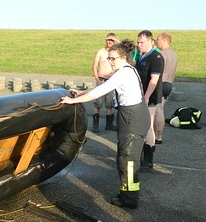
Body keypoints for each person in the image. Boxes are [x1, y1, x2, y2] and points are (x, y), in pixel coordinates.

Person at [61, 40, 150, 209]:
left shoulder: (124, 73)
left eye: (113, 59)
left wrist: (74, 101)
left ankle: (130, 199)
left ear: (123, 57)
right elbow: (105, 88)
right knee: (125, 158)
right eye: (109, 58)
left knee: (128, 160)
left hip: (133, 117)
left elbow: (99, 92)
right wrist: (82, 92)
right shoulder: (127, 70)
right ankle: (126, 193)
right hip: (131, 115)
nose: (110, 62)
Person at [135, 30, 164, 171]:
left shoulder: (156, 57)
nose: (139, 45)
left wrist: (146, 97)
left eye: (142, 42)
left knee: (148, 126)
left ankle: (148, 160)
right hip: (141, 95)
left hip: (150, 97)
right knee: (144, 125)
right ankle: (144, 154)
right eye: (138, 42)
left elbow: (154, 80)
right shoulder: (142, 56)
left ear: (150, 41)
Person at [91, 33, 119, 132]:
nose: (109, 42)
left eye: (112, 40)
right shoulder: (101, 52)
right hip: (101, 80)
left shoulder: (116, 53)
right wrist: (97, 80)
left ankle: (109, 124)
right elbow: (94, 67)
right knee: (97, 104)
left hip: (111, 81)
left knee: (109, 104)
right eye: (108, 40)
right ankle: (95, 125)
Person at [154, 32, 178, 144]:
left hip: (161, 84)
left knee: (157, 110)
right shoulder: (174, 54)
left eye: (158, 39)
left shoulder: (162, 54)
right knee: (161, 109)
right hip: (169, 84)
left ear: (164, 40)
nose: (156, 41)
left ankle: (157, 136)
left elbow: (157, 71)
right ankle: (158, 136)